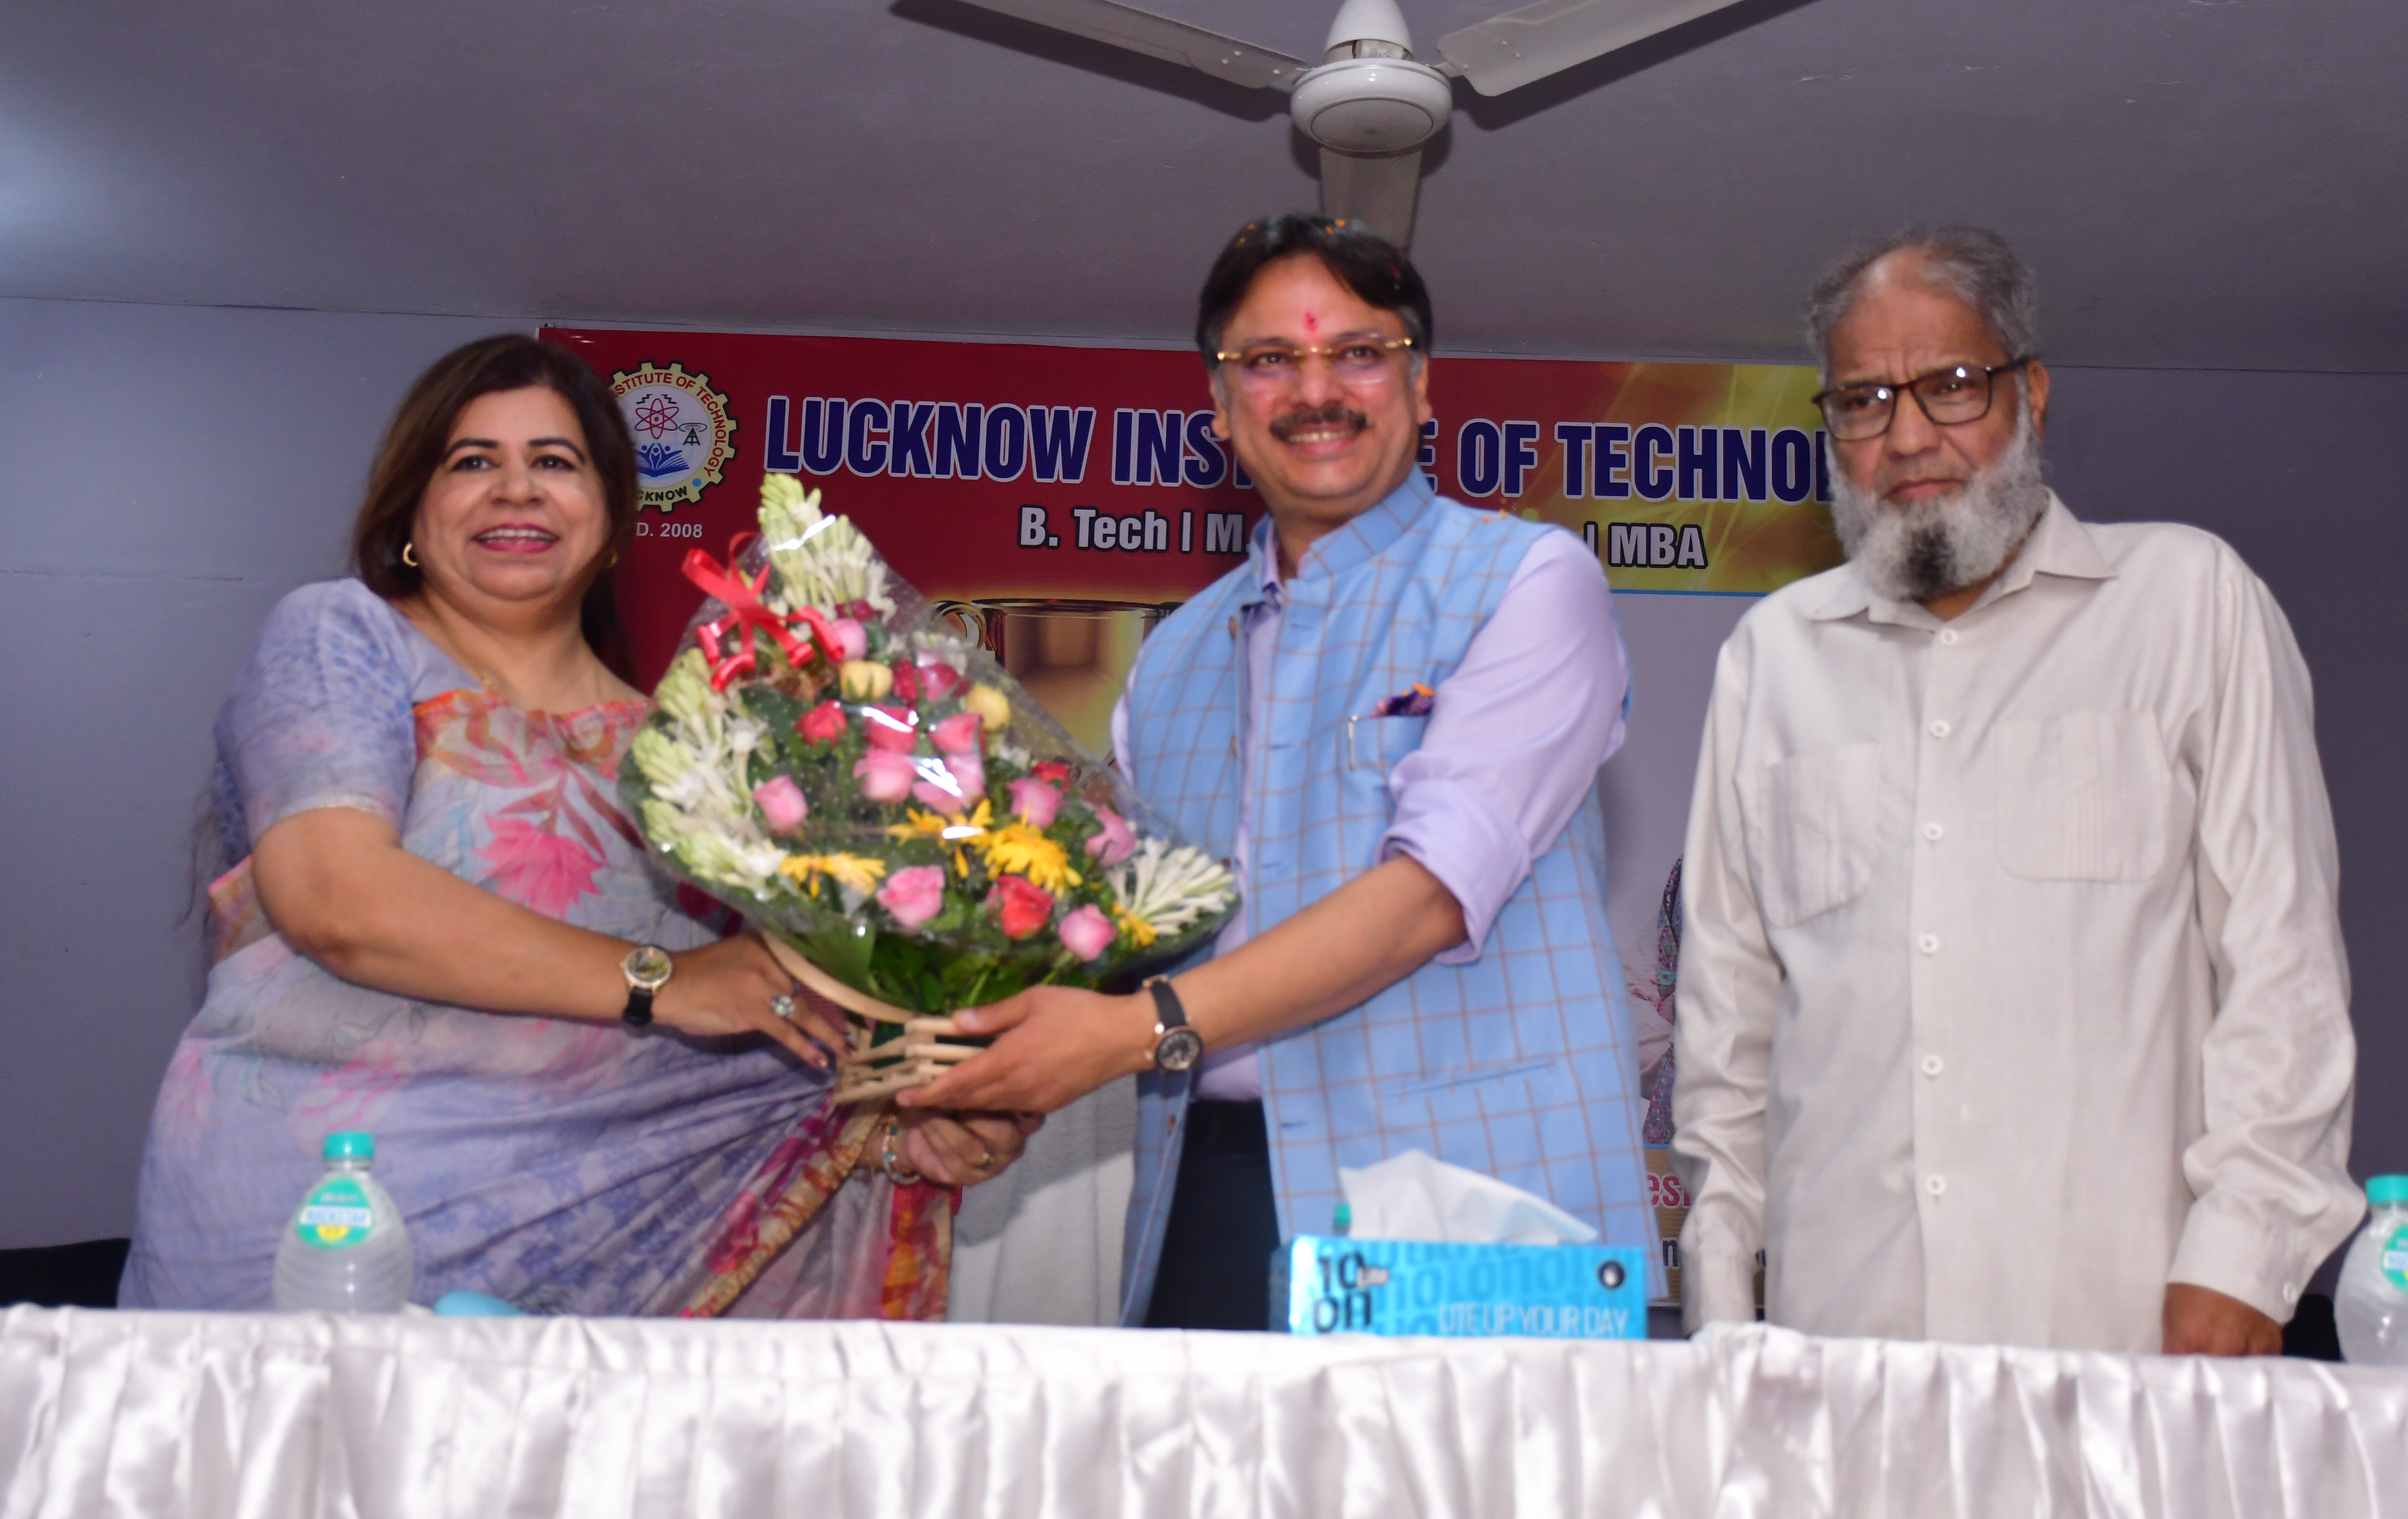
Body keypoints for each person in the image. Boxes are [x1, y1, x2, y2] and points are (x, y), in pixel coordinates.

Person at [124, 334, 1028, 1317]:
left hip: (623, 1273)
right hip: (326, 1241)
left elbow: (760, 1018)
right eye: (473, 462)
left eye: (554, 462)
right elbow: (337, 898)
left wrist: (906, 1122)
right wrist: (666, 981)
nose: (516, 490)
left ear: (609, 523)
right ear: (412, 515)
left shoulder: (700, 757)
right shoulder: (344, 639)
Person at [905, 215, 1655, 1327]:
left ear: (1423, 384)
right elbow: (1119, 942)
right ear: (1220, 404)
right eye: (1270, 360)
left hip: (1472, 1207)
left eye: (1359, 351)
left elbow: (1430, 895)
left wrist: (1121, 1031)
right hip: (1206, 1190)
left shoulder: (1529, 580)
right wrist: (1000, 1089)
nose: (1318, 390)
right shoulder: (1170, 662)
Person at [1670, 227, 2363, 1356]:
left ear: (2029, 391)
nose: (1907, 436)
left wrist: (2248, 1258)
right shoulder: (1772, 659)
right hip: (1841, 1359)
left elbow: (2282, 969)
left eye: (1948, 385)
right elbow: (1726, 1035)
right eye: (1862, 400)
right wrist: (1718, 1315)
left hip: (2129, 1343)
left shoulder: (2189, 602)